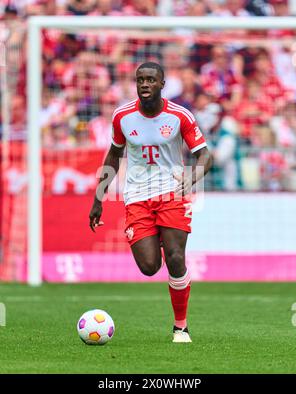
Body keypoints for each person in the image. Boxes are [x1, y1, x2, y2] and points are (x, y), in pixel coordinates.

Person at [89, 62, 212, 343]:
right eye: (140, 80)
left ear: (162, 84)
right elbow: (113, 155)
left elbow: (205, 156)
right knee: (149, 267)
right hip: (137, 197)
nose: (145, 84)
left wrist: (192, 177)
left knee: (176, 258)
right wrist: (99, 198)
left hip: (172, 193)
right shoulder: (123, 116)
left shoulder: (179, 116)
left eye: (150, 80)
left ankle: (180, 327)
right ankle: (158, 237)